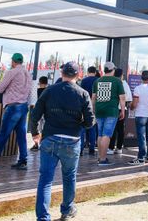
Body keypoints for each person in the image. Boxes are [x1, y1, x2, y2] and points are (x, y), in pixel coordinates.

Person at [30, 62, 95, 221]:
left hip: (50, 138)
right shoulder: (83, 93)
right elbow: (89, 122)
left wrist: (35, 133)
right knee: (69, 176)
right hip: (72, 141)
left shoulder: (49, 90)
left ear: (62, 73)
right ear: (78, 75)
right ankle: (66, 210)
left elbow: (35, 114)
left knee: (45, 180)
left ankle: (43, 218)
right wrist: (77, 125)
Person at [92, 61, 126, 166]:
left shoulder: (97, 81)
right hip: (111, 111)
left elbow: (93, 97)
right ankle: (102, 159)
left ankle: (99, 157)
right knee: (106, 135)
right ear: (113, 70)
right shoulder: (117, 81)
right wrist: (123, 111)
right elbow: (122, 97)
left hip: (99, 110)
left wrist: (93, 109)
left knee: (100, 134)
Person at [128, 70, 148, 165]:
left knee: (141, 137)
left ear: (141, 78)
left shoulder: (138, 89)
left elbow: (135, 103)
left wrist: (131, 106)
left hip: (141, 114)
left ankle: (141, 157)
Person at [108, 68, 132, 155]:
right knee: (121, 129)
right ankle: (119, 148)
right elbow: (129, 98)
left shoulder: (111, 83)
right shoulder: (125, 84)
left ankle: (110, 148)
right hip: (122, 109)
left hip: (112, 109)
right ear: (122, 75)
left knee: (112, 129)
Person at [79, 67, 99, 156]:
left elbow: (81, 93)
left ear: (88, 72)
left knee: (82, 128)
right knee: (92, 128)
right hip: (95, 106)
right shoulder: (99, 80)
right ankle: (92, 149)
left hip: (84, 106)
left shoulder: (83, 80)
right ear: (95, 72)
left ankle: (80, 149)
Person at [31, 76, 50, 151]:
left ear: (39, 82)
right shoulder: (49, 91)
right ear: (47, 83)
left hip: (38, 111)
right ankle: (44, 144)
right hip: (46, 111)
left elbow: (33, 102)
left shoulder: (36, 91)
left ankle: (36, 144)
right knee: (44, 128)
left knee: (36, 128)